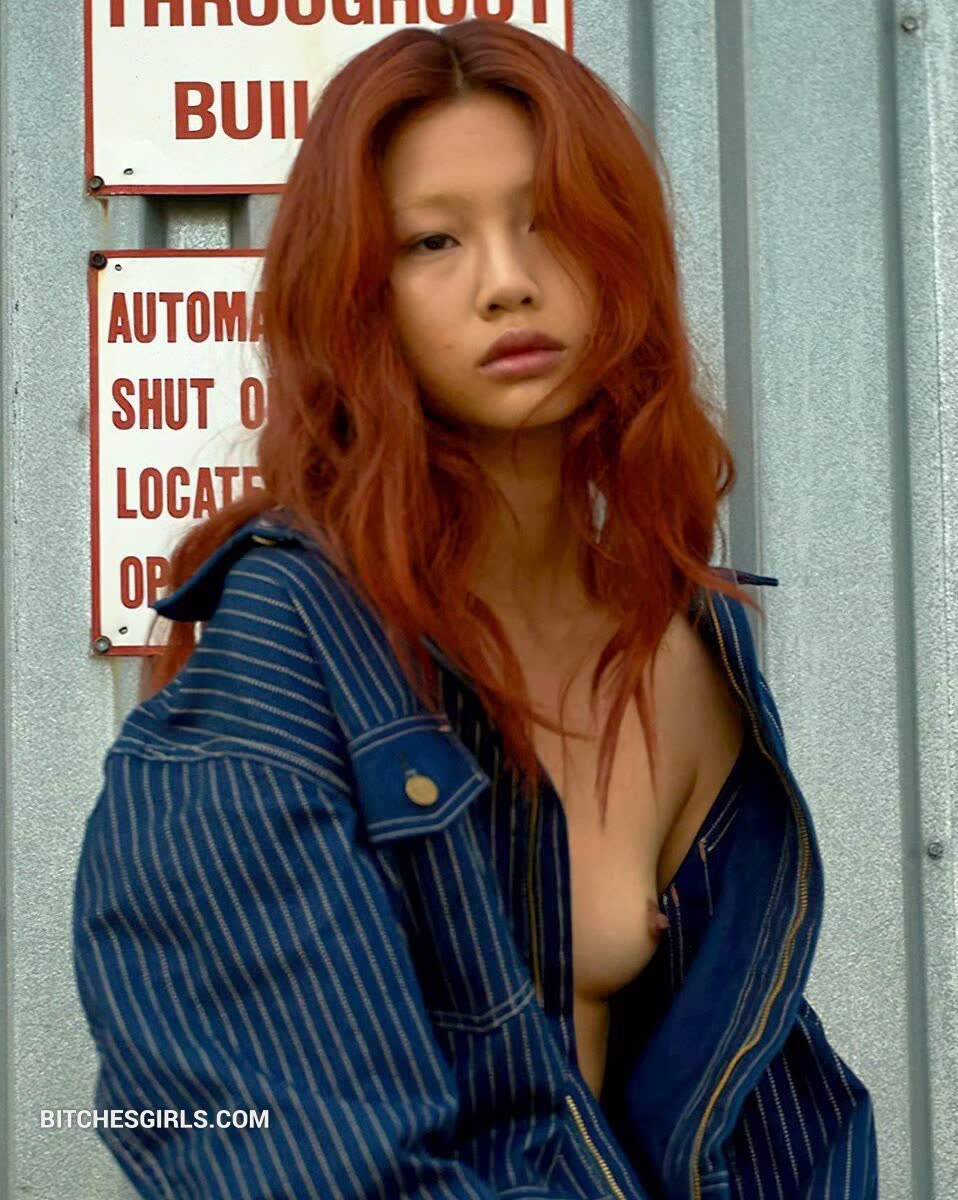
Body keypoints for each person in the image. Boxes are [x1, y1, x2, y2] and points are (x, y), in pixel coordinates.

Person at [72, 18, 878, 1200]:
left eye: (547, 220)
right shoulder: (281, 666)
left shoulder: (683, 647)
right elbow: (291, 1158)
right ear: (359, 296)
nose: (507, 281)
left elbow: (759, 1109)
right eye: (433, 240)